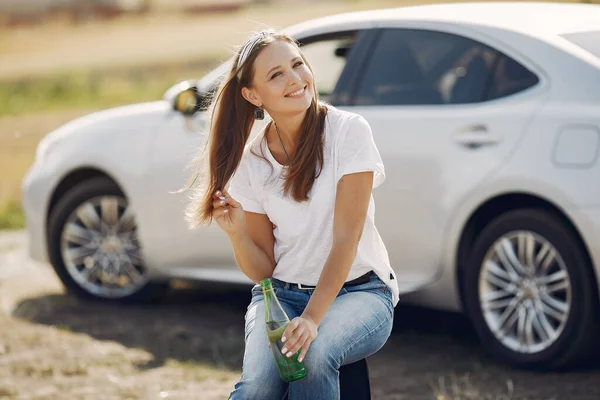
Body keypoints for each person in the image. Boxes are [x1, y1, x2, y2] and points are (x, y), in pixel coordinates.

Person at [184, 29, 400, 400]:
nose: (295, 79)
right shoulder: (252, 162)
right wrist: (237, 235)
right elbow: (265, 271)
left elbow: (346, 240)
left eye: (297, 64)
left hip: (361, 291)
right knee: (255, 390)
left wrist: (313, 319)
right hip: (282, 297)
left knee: (312, 355)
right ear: (252, 95)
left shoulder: (348, 132)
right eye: (276, 75)